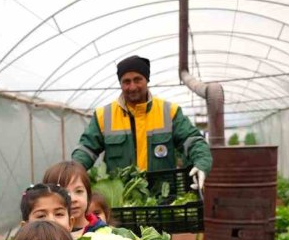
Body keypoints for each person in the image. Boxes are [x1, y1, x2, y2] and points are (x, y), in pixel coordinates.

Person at [71, 54, 213, 192]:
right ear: (120, 84)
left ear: (147, 80)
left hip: (163, 198)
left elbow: (193, 141)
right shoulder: (104, 115)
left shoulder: (169, 112)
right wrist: (72, 173)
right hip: (122, 199)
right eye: (126, 81)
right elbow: (86, 149)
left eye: (137, 79)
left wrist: (201, 163)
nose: (132, 87)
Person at [42, 160, 107, 239]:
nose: (73, 199)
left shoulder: (101, 232)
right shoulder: (45, 233)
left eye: (79, 191)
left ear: (88, 194)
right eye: (64, 193)